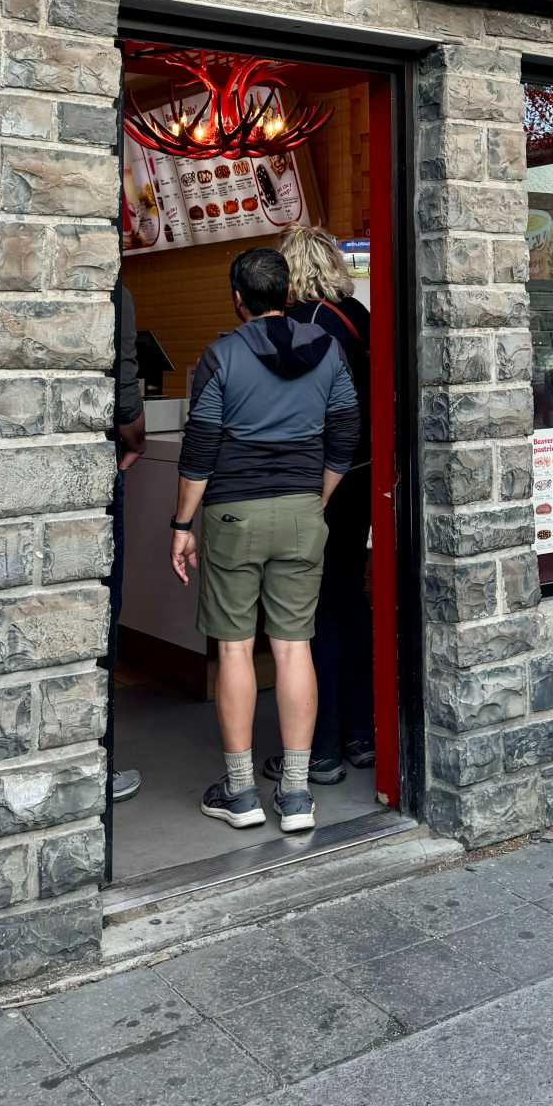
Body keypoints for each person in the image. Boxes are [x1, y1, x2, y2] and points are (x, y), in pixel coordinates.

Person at [171, 247, 359, 834]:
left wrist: (181, 525)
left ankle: (241, 792)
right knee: (293, 645)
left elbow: (199, 449)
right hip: (303, 510)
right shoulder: (327, 349)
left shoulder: (222, 356)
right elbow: (346, 432)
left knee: (233, 647)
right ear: (287, 293)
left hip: (233, 515)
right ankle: (298, 795)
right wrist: (320, 496)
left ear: (237, 297)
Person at [260, 228, 374, 787]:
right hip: (363, 479)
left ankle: (320, 748)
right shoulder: (359, 316)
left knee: (309, 613)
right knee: (352, 601)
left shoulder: (300, 330)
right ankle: (361, 735)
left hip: (316, 483)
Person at [110, 281, 146, 803]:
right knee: (102, 607)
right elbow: (125, 377)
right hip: (101, 460)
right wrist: (135, 436)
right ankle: (100, 760)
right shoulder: (117, 290)